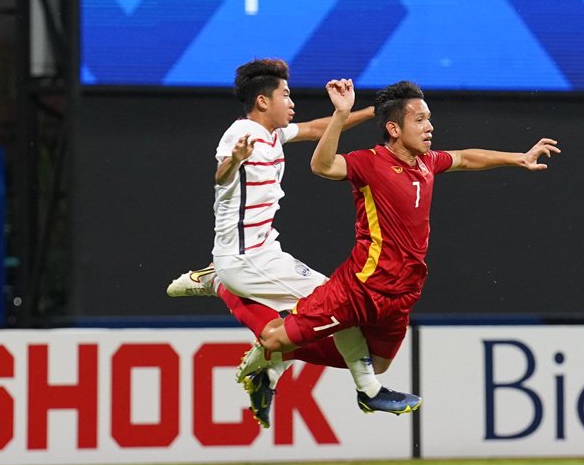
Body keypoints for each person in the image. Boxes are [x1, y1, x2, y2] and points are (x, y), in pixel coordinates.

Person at [238, 79, 560, 388]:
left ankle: (283, 354)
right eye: (419, 119)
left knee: (376, 364)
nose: (429, 127)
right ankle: (233, 300)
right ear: (394, 129)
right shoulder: (370, 162)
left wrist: (517, 157)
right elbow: (322, 166)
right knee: (274, 336)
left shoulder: (427, 163)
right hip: (360, 287)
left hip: (401, 293)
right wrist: (340, 115)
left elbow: (464, 157)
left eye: (429, 119)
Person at [165, 58, 421, 428]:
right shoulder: (241, 133)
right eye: (285, 94)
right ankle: (368, 390)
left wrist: (367, 112)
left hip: (265, 251)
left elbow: (320, 129)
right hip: (247, 259)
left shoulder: (274, 134)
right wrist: (234, 162)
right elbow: (220, 179)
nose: (292, 101)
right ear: (263, 102)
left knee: (329, 308)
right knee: (341, 304)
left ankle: (260, 354)